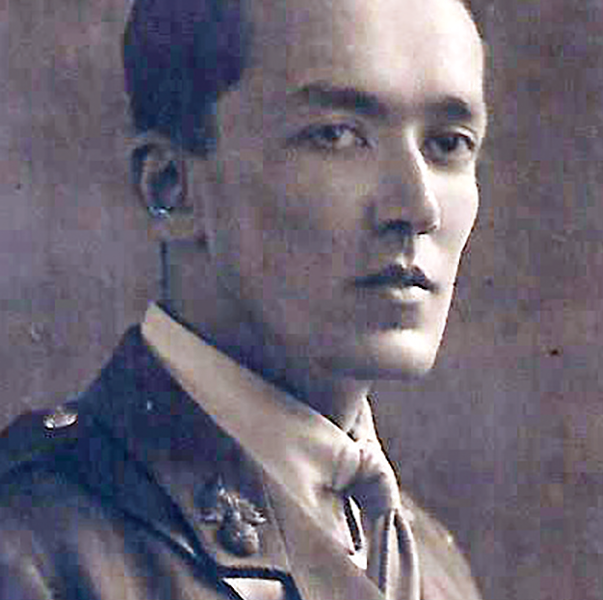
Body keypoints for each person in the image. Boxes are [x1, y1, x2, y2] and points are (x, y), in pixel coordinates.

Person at [0, 0, 487, 598]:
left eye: (448, 144)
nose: (417, 207)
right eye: (336, 136)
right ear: (171, 187)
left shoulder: (434, 567)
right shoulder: (33, 553)